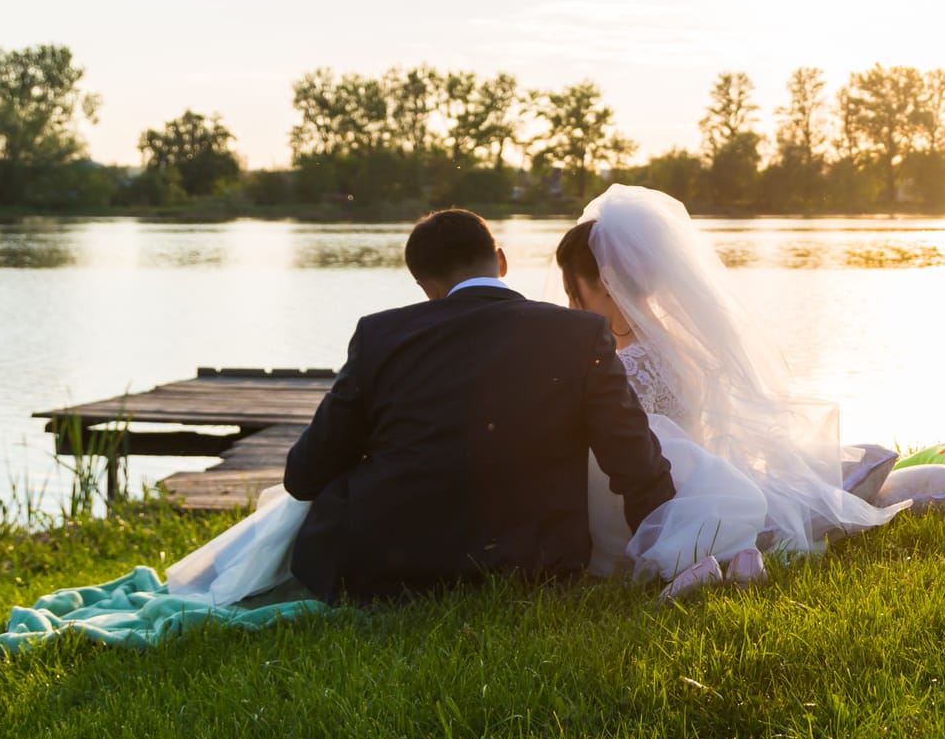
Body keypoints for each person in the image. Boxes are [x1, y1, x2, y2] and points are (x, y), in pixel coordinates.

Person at [168, 208, 677, 604]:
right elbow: (633, 460)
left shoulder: (381, 335)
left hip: (392, 568)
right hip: (537, 564)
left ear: (425, 287)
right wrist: (665, 552)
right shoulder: (581, 333)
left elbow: (304, 475)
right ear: (500, 261)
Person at [555, 185, 906, 595]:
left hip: (649, 501)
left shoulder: (628, 365)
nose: (571, 305)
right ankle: (726, 555)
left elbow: (619, 454)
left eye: (574, 291)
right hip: (702, 486)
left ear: (607, 283)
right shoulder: (680, 344)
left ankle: (687, 558)